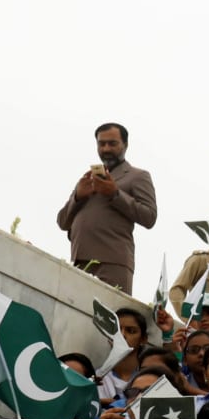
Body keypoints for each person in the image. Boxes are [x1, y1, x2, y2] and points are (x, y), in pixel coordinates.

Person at [57, 122, 158, 293]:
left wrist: (115, 194)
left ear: (125, 145)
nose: (106, 149)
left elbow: (149, 217)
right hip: (79, 262)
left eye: (112, 143)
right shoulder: (88, 178)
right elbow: (62, 222)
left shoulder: (137, 176)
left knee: (109, 316)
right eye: (101, 144)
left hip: (113, 263)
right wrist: (78, 196)